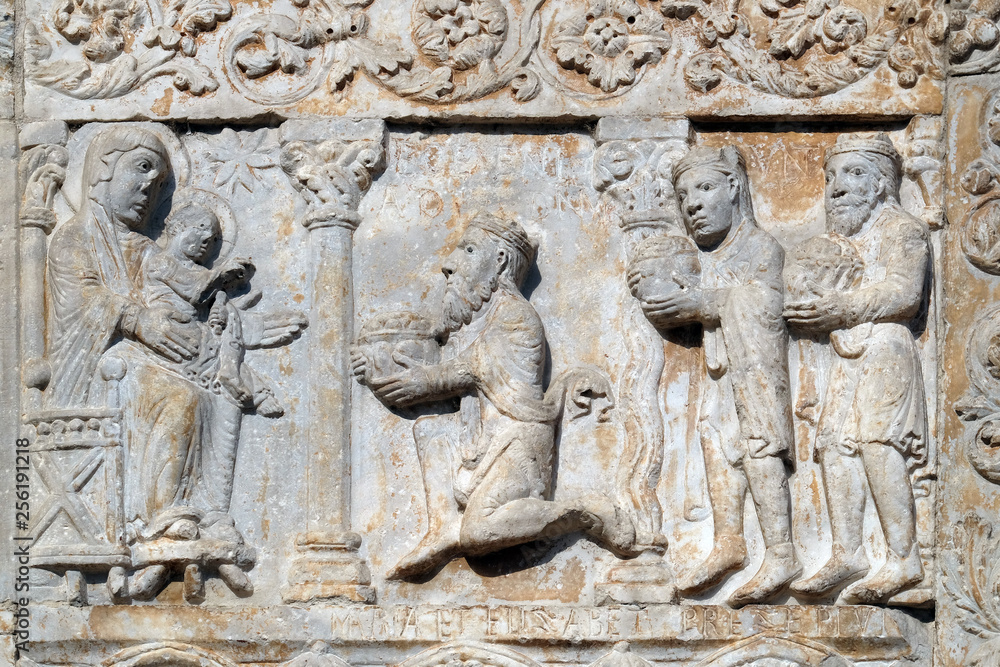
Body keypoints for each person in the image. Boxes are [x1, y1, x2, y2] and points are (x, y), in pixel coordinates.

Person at [352, 213, 635, 580]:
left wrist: (414, 379)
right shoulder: (473, 322)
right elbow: (424, 370)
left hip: (516, 442)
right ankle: (441, 527)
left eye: (468, 250)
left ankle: (584, 511)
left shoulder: (516, 317)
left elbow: (465, 368)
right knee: (429, 430)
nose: (449, 265)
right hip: (478, 439)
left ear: (499, 260)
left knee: (479, 532)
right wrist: (377, 369)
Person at [636, 146, 800, 606]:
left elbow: (767, 305)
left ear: (734, 188)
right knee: (714, 439)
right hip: (723, 374)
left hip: (757, 375)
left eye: (705, 188)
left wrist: (706, 303)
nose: (693, 204)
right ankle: (730, 541)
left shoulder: (761, 247)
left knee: (758, 444)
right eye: (685, 197)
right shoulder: (706, 257)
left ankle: (782, 552)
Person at [786, 133, 927, 604]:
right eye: (831, 177)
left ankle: (904, 559)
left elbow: (905, 293)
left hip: (886, 347)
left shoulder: (901, 229)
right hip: (849, 352)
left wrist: (842, 308)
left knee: (876, 442)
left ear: (883, 184)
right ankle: (849, 553)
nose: (837, 187)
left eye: (854, 174)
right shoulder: (844, 240)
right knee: (833, 444)